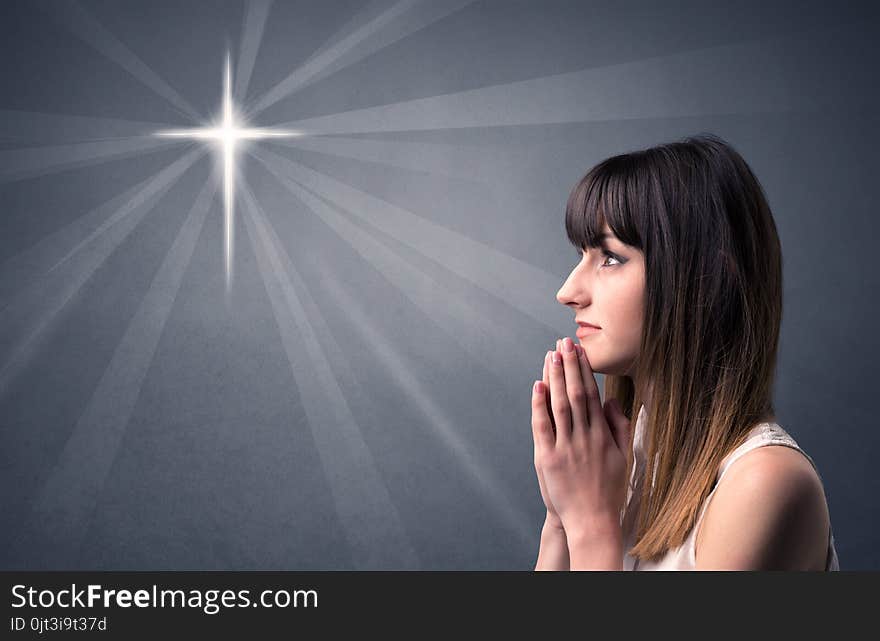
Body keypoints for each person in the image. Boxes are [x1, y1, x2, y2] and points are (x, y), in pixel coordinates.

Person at [530, 134, 840, 571]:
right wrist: (559, 520)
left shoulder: (764, 484)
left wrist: (590, 525)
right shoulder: (622, 462)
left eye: (611, 257)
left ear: (709, 280)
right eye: (582, 254)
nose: (567, 292)